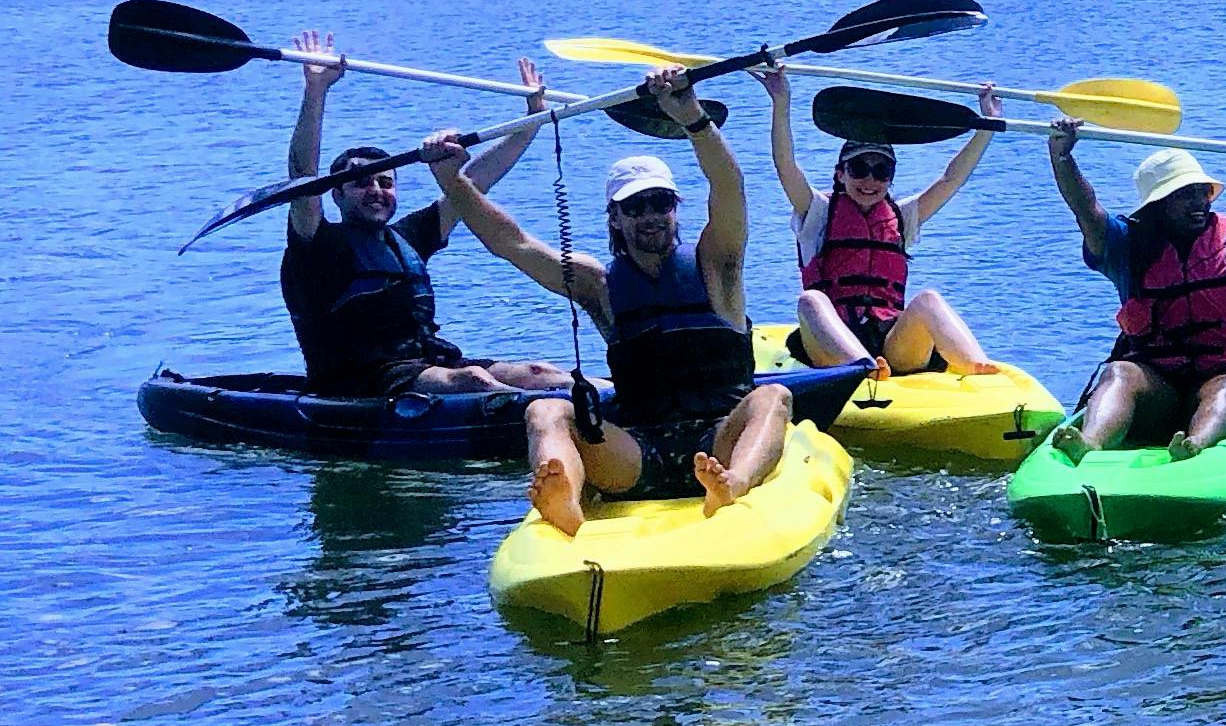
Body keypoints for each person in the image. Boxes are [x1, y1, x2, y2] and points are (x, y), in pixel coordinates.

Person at [426, 69, 795, 534]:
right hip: (636, 452)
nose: (650, 216)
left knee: (773, 396)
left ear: (675, 207)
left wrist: (691, 117)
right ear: (615, 219)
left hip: (721, 437)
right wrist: (452, 181)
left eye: (660, 203)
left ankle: (733, 486)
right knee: (545, 410)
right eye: (634, 208)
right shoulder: (597, 286)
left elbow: (729, 187)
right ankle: (565, 502)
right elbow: (511, 243)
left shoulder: (716, 265)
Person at [280, 30, 573, 399]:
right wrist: (316, 91)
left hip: (428, 363)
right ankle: (552, 418)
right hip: (360, 382)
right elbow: (302, 176)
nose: (376, 190)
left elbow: (475, 183)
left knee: (538, 373)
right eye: (362, 183)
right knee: (476, 383)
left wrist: (532, 120)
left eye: (386, 182)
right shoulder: (316, 244)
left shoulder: (408, 237)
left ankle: (613, 398)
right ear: (336, 193)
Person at [1044, 118, 1226, 459]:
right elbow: (1085, 209)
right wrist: (1062, 157)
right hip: (1158, 386)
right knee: (1118, 371)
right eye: (1185, 195)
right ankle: (1090, 444)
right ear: (1159, 204)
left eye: (1202, 192)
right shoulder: (1126, 247)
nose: (1200, 203)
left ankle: (1196, 446)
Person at [751, 63, 1003, 375]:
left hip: (892, 343)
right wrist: (781, 102)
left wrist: (987, 127)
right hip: (833, 343)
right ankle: (861, 368)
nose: (870, 180)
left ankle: (979, 368)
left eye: (881, 171)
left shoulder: (903, 216)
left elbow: (951, 179)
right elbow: (785, 164)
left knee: (928, 299)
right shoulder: (817, 212)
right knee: (810, 301)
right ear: (840, 174)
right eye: (859, 169)